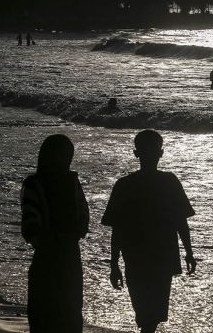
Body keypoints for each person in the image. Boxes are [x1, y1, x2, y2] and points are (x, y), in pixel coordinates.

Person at [102, 130, 196, 333]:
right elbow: (181, 222)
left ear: (136, 153)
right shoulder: (169, 182)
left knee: (145, 314)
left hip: (135, 257)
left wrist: (114, 264)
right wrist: (189, 253)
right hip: (163, 256)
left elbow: (117, 230)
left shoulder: (124, 185)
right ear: (161, 153)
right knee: (152, 315)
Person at [21, 134, 89, 333]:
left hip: (48, 255)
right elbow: (83, 220)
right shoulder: (71, 183)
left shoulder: (35, 184)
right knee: (69, 312)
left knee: (45, 312)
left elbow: (30, 226)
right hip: (65, 254)